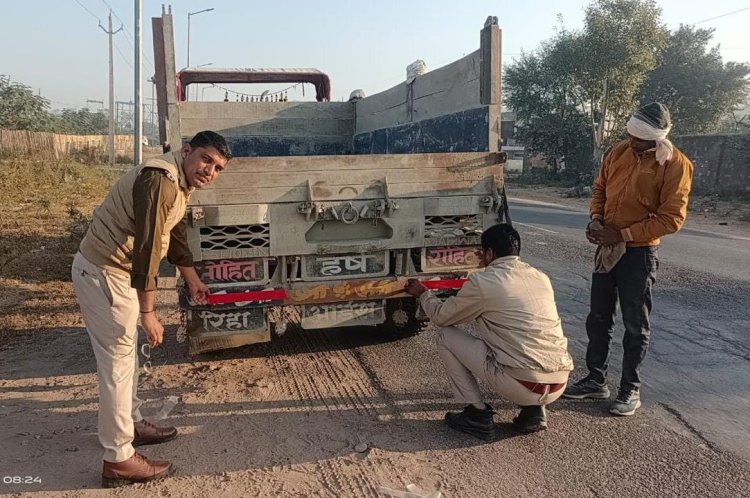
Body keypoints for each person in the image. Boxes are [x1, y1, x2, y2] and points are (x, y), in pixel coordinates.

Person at [71, 131, 231, 487]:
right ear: (187, 151)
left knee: (126, 362)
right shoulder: (160, 179)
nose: (210, 171)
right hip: (106, 273)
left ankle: (130, 422)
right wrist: (148, 311)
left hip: (114, 273)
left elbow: (170, 235)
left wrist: (191, 278)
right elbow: (147, 247)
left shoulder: (177, 182)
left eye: (218, 168)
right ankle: (118, 458)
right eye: (206, 159)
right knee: (117, 365)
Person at [563, 103, 693, 416]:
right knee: (598, 318)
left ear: (657, 139)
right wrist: (595, 218)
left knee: (636, 325)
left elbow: (671, 219)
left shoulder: (675, 164)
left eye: (640, 139)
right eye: (631, 136)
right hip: (607, 249)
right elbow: (600, 189)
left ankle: (629, 388)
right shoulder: (618, 152)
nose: (633, 142)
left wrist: (622, 234)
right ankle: (596, 380)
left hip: (639, 253)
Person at [404, 224, 573, 438]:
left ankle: (476, 414)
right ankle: (534, 412)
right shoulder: (541, 277)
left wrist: (424, 294)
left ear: (489, 253)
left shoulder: (484, 282)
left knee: (446, 336)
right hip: (558, 384)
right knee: (527, 341)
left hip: (520, 384)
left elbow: (441, 317)